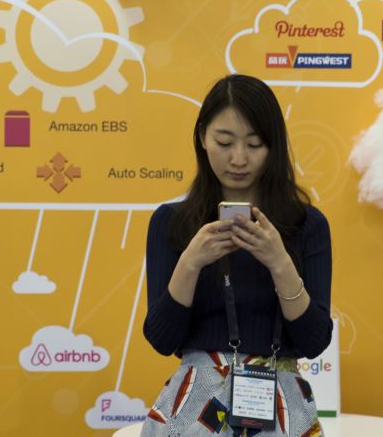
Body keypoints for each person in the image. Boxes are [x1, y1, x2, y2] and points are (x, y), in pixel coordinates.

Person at [141, 74, 333, 437]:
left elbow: (313, 341)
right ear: (202, 137)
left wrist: (280, 262)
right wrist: (190, 262)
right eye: (224, 142)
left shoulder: (306, 225)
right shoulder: (172, 223)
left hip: (279, 405)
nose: (239, 158)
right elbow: (162, 339)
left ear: (274, 146)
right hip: (196, 407)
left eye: (255, 143)